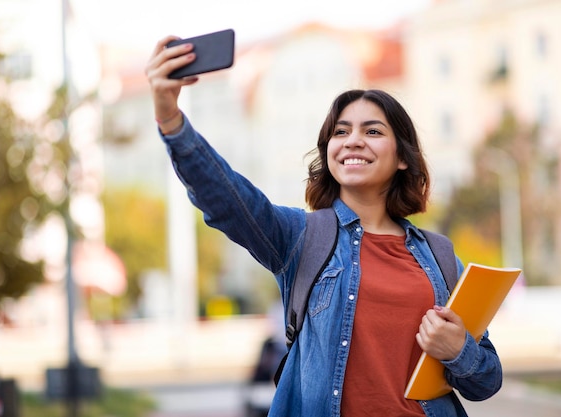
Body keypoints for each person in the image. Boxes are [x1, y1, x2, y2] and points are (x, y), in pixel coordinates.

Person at [145, 35, 503, 417]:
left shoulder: (441, 257)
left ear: (402, 157)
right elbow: (227, 198)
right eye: (341, 131)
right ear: (328, 151)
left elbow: (486, 381)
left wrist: (458, 352)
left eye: (373, 131)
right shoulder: (300, 238)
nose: (353, 141)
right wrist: (170, 120)